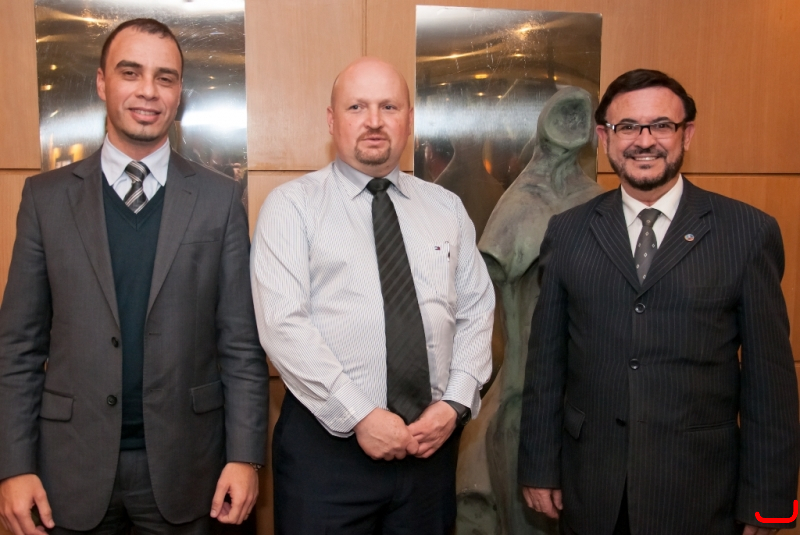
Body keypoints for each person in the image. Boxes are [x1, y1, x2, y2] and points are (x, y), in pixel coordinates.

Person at [0, 18, 268, 535]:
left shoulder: (219, 199)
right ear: (102, 83)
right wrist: (13, 464)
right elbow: (18, 348)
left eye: (165, 78)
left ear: (179, 93)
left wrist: (245, 457)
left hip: (189, 468)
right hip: (68, 470)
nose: (149, 91)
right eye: (131, 73)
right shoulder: (45, 199)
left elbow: (240, 343)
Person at [518, 68, 799, 535]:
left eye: (661, 125)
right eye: (628, 126)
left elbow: (770, 381)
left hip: (702, 494)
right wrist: (538, 467)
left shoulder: (747, 232)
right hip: (592, 488)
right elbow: (546, 363)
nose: (644, 141)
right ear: (605, 138)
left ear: (687, 134)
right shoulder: (567, 233)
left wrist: (768, 504)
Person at [251, 57, 495, 534]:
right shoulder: (292, 207)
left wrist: (454, 404)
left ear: (409, 119)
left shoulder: (446, 208)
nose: (374, 121)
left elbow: (477, 309)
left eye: (389, 106)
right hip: (327, 457)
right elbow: (283, 324)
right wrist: (360, 415)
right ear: (331, 120)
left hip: (429, 452)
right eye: (357, 107)